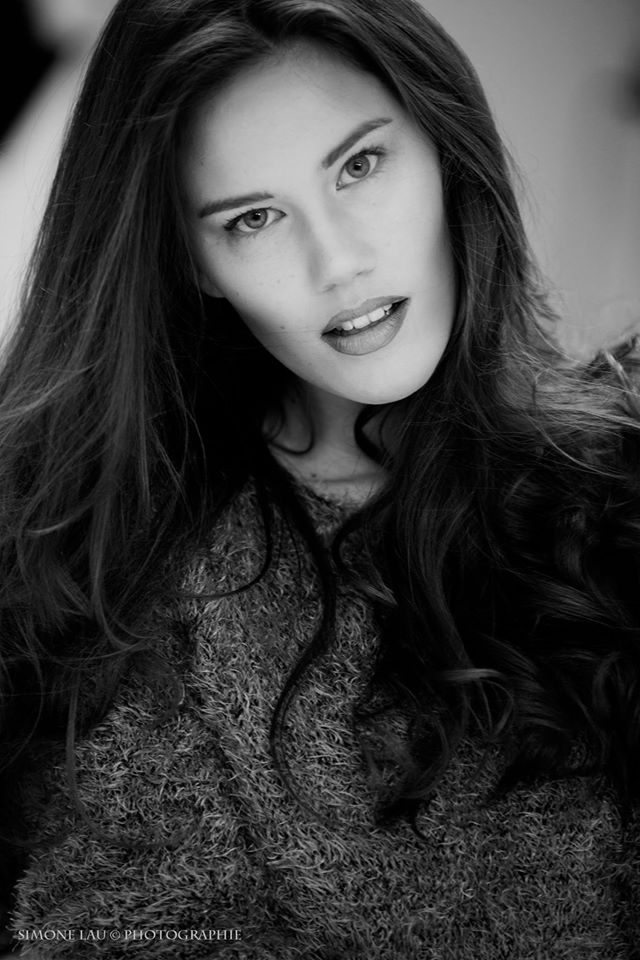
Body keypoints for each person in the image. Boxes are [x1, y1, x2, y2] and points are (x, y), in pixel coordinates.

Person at [1, 0, 639, 956]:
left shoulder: (616, 470)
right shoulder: (135, 570)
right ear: (195, 262)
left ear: (445, 148)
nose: (339, 263)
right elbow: (103, 931)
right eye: (254, 218)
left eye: (360, 166)